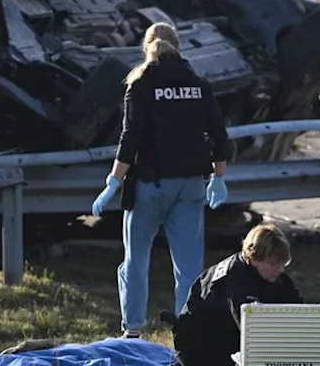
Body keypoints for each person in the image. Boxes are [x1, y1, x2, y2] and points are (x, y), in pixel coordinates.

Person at [89, 21, 233, 338]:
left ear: (146, 48)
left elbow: (130, 138)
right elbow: (220, 136)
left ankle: (133, 330)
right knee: (188, 267)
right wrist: (218, 177)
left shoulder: (140, 86)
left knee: (135, 262)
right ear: (177, 46)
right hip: (191, 186)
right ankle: (187, 331)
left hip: (150, 186)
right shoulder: (199, 85)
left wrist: (114, 182)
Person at [171, 224, 305, 365]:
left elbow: (298, 310)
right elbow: (252, 330)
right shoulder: (235, 280)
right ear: (254, 257)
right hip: (201, 348)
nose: (280, 270)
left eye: (283, 263)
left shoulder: (272, 275)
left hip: (228, 339)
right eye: (273, 264)